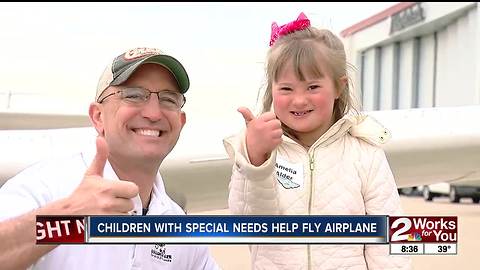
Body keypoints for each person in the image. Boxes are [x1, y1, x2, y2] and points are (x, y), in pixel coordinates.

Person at [0, 47, 219, 270]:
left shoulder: (181, 230)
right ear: (98, 117)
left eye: (169, 99)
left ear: (180, 122)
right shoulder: (43, 188)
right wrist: (66, 219)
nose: (153, 113)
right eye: (133, 95)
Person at [223, 13, 412, 269]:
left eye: (312, 87)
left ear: (339, 87)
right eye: (286, 89)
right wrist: (256, 161)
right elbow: (247, 225)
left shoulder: (365, 153)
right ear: (272, 90)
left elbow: (389, 243)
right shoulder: (257, 153)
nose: (299, 100)